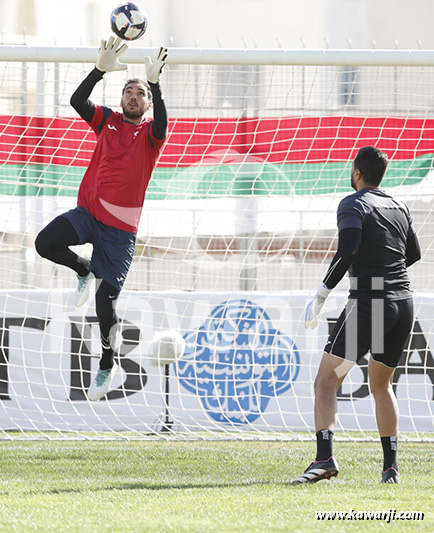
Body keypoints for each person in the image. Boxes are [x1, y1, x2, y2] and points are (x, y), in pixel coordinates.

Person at [35, 37, 168, 401]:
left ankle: (108, 363)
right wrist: (99, 70)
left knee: (103, 304)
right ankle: (82, 269)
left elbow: (162, 126)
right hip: (90, 213)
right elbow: (78, 101)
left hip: (120, 231)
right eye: (128, 90)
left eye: (139, 93)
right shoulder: (107, 119)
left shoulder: (151, 135)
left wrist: (155, 83)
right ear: (121, 97)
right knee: (44, 243)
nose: (133, 96)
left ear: (146, 102)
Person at [291, 146, 421, 485]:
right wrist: (384, 274)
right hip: (403, 303)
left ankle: (324, 460)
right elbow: (415, 253)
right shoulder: (398, 205)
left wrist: (321, 295)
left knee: (327, 381)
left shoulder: (353, 203)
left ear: (357, 173)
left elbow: (346, 251)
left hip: (372, 306)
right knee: (381, 384)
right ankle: (390, 469)